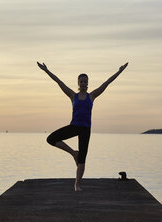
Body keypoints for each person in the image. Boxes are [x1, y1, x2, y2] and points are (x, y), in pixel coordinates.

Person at [37, 61, 128, 191]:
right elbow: (59, 82)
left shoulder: (92, 96)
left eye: (85, 81)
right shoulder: (72, 95)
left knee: (83, 158)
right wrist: (46, 70)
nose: (83, 84)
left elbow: (107, 83)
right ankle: (73, 153)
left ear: (87, 83)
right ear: (78, 83)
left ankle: (77, 184)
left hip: (85, 129)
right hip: (74, 126)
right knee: (51, 139)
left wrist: (120, 71)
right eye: (81, 81)